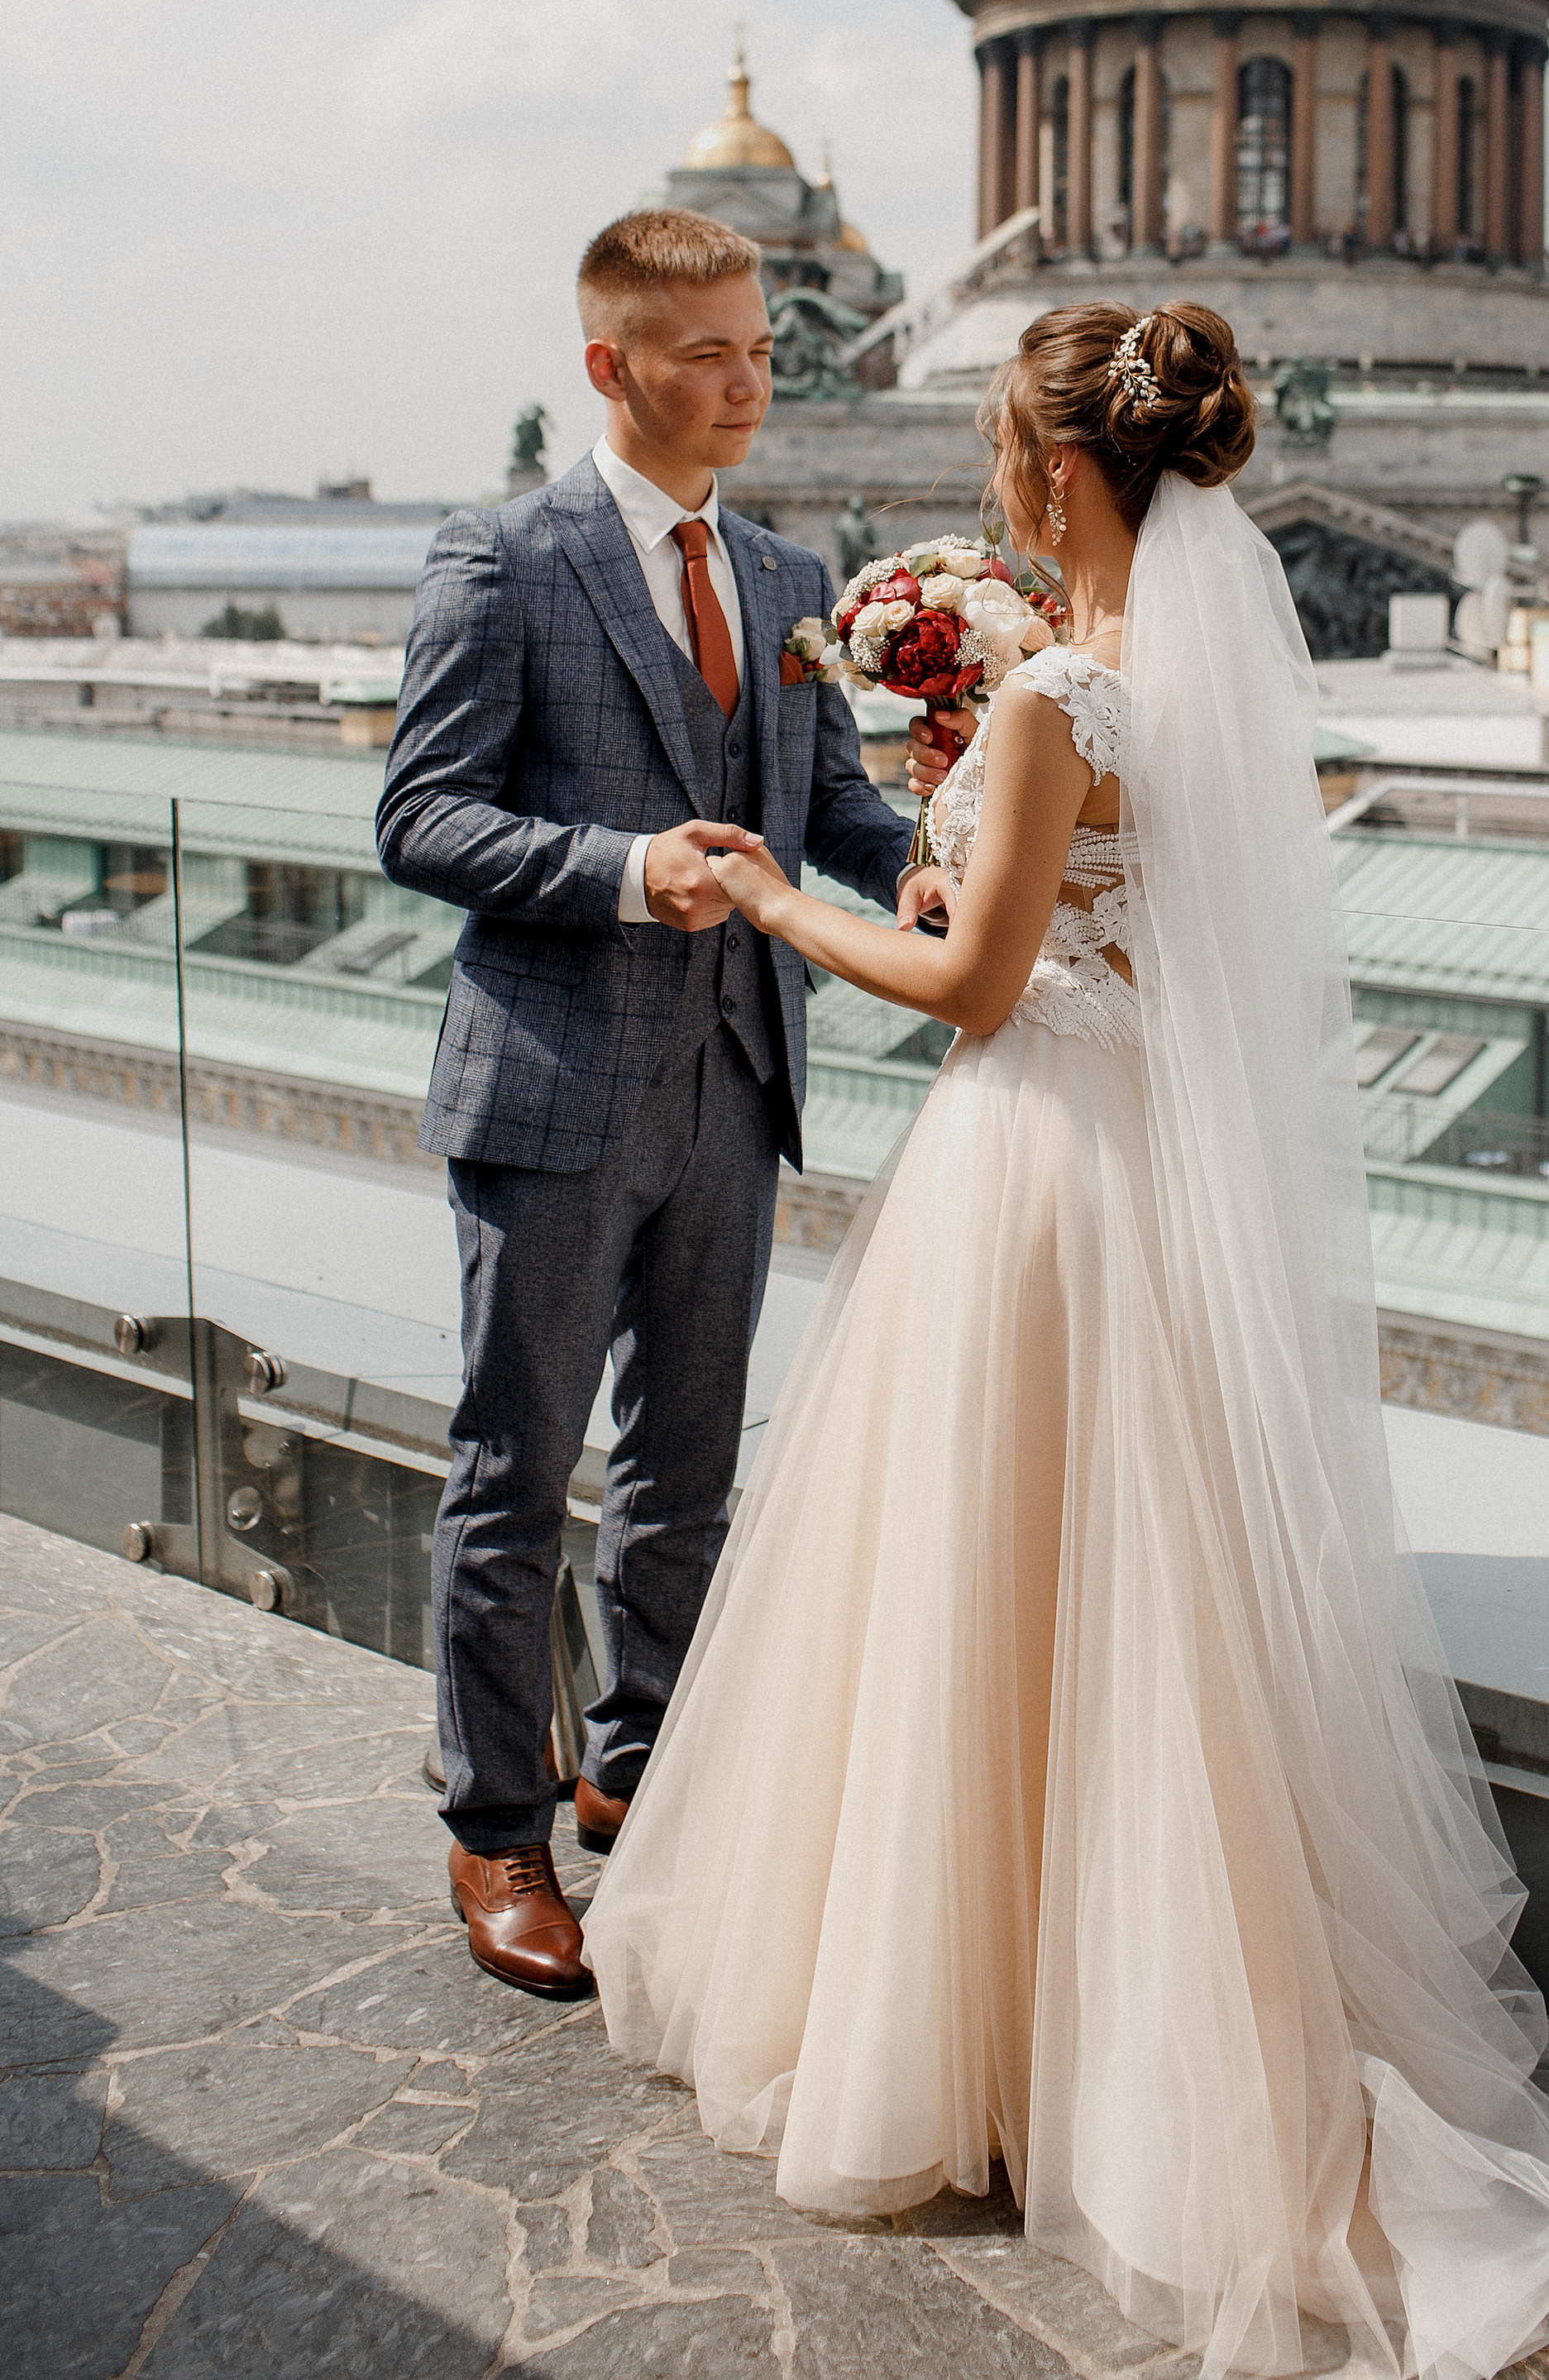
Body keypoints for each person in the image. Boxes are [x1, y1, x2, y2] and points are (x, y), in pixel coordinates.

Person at [583, 297, 1549, 2377]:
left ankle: (959, 2034)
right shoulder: (1192, 686)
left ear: (1059, 474)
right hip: (1144, 1170)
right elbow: (1104, 924)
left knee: (971, 1597)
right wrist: (953, 852)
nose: (1001, 482)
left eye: (1013, 452)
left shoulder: (1054, 687)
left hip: (1031, 1174)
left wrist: (770, 895)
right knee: (1131, 1615)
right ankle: (1115, 2049)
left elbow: (973, 990)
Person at [375, 208, 949, 1995]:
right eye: (705, 353)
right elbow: (422, 818)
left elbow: (821, 806)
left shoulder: (788, 582)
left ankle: (640, 1771)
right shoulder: (502, 555)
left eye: (760, 348)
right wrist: (629, 869)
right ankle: (493, 1832)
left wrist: (926, 861)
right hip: (549, 1090)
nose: (747, 382)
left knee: (689, 1473)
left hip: (734, 1087)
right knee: (514, 1472)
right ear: (608, 367)